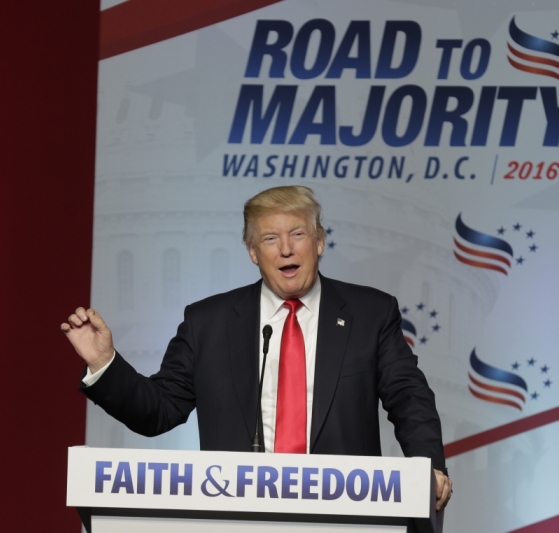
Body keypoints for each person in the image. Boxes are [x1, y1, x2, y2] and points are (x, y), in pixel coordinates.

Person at [62, 185, 452, 509]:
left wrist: (428, 467)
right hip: (238, 513)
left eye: (298, 234)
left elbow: (408, 395)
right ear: (252, 252)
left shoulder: (371, 313)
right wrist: (104, 362)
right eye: (270, 238)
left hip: (346, 512)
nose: (286, 249)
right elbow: (160, 410)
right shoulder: (207, 323)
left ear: (319, 242)